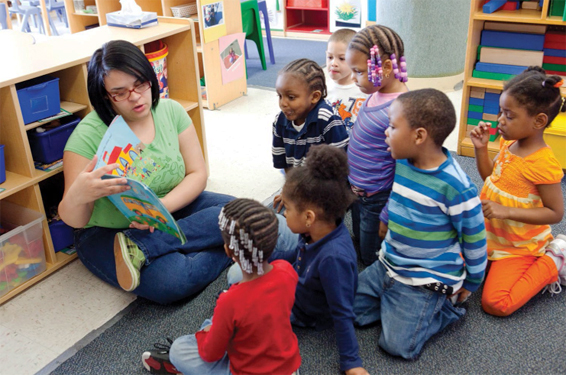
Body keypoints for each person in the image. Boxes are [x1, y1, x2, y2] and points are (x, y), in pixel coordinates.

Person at [58, 40, 234, 304]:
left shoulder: (170, 111)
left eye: (140, 83)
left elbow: (197, 173)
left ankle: (145, 248)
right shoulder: (86, 137)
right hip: (109, 233)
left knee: (241, 212)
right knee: (174, 281)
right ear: (105, 96)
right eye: (120, 92)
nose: (136, 96)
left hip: (171, 207)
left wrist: (160, 208)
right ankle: (230, 246)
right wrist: (79, 195)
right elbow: (75, 220)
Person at [354, 89, 487, 360]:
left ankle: (444, 310)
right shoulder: (403, 160)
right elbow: (398, 193)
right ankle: (398, 308)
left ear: (419, 136)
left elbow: (474, 239)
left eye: (392, 127)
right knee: (345, 310)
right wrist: (384, 218)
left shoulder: (456, 187)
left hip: (426, 279)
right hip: (388, 263)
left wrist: (472, 282)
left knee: (397, 346)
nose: (385, 133)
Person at [142, 199, 301, 375]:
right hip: (288, 367)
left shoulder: (230, 302)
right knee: (226, 315)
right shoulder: (286, 271)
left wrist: (205, 334)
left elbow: (211, 354)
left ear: (228, 250)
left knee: (179, 350)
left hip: (248, 369)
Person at [471, 67, 566, 317]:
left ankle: (555, 260)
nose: (500, 119)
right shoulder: (508, 142)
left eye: (509, 115)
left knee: (496, 304)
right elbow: (491, 178)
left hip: (519, 246)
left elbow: (555, 213)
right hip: (489, 232)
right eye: (501, 112)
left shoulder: (543, 164)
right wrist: (481, 149)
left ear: (539, 121)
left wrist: (506, 211)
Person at [280, 145, 368, 375]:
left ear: (309, 217)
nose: (283, 213)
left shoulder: (333, 259)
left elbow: (342, 313)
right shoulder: (315, 231)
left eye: (287, 208)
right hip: (296, 287)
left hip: (303, 312)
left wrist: (352, 364)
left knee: (247, 315)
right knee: (242, 278)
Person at [345, 25, 409, 266]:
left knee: (371, 251)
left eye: (359, 71)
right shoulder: (377, 92)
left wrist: (387, 211)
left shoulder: (400, 110)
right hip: (358, 190)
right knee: (360, 236)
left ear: (386, 68)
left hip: (376, 196)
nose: (353, 78)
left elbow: (404, 168)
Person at [272, 58, 349, 211]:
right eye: (279, 96)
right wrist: (290, 189)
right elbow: (285, 164)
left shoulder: (327, 118)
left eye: (291, 97)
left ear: (314, 96)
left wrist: (311, 199)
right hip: (301, 179)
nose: (283, 103)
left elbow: (340, 167)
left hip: (328, 184)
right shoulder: (280, 121)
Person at [326, 28, 367, 131]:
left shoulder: (364, 90)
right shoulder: (324, 90)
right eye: (330, 57)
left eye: (341, 58)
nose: (333, 63)